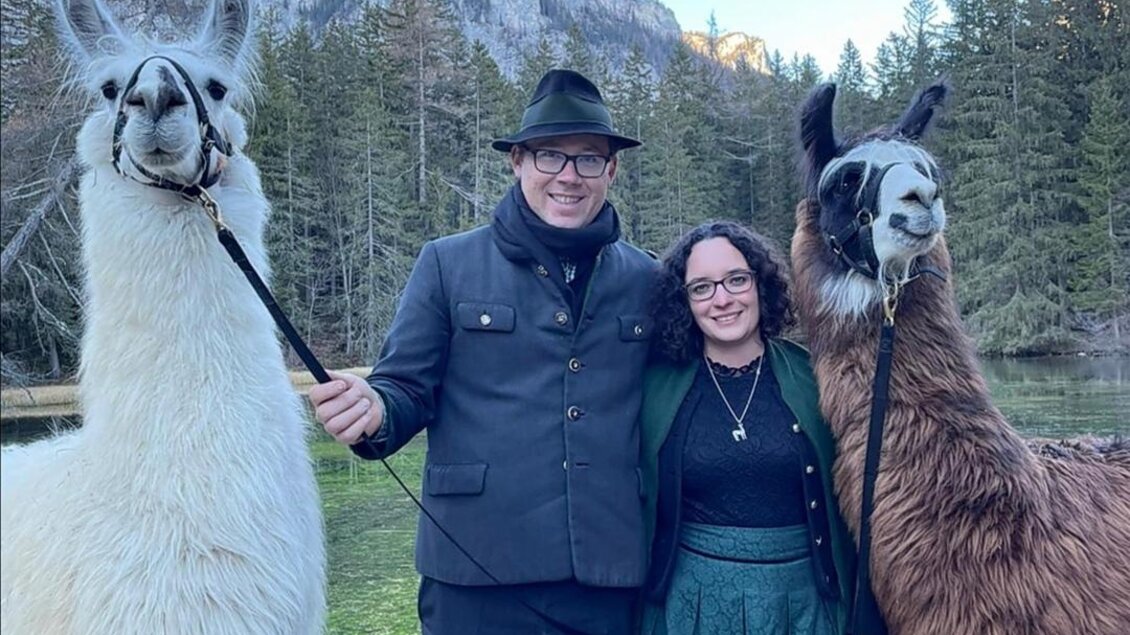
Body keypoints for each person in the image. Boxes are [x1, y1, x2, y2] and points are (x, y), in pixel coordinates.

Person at [309, 69, 658, 634]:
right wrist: (373, 409)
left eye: (589, 158)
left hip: (609, 577)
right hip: (473, 574)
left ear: (611, 170)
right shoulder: (447, 264)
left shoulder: (648, 277)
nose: (569, 176)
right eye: (550, 156)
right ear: (516, 161)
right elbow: (404, 390)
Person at [638, 221, 883, 634]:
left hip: (804, 607)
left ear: (760, 284)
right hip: (691, 608)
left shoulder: (815, 378)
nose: (722, 299)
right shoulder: (653, 388)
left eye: (736, 280)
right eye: (702, 288)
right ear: (684, 301)